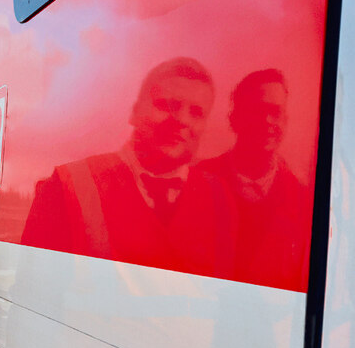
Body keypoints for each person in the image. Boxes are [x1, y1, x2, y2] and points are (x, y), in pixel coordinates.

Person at [21, 57, 236, 280]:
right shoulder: (67, 186)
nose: (181, 119)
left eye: (196, 113)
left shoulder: (218, 197)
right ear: (134, 112)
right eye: (165, 105)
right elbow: (30, 295)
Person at [194, 69, 311, 290]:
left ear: (285, 121)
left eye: (275, 112)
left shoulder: (301, 199)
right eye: (257, 111)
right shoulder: (199, 181)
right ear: (234, 119)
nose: (267, 120)